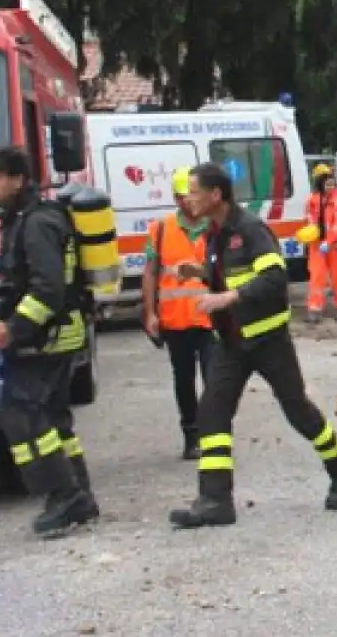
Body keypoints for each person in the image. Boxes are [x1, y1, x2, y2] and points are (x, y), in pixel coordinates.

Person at [169, 161, 337, 529]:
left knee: (298, 412)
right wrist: (200, 273)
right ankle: (215, 501)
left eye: (193, 192)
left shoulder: (250, 229)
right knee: (212, 412)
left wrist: (229, 298)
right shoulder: (214, 234)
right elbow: (227, 273)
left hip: (269, 340)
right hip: (230, 343)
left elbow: (274, 278)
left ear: (215, 195)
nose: (186, 198)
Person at [0, 144, 102, 536]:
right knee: (53, 418)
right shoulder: (22, 219)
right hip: (48, 334)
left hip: (47, 337)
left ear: (19, 179)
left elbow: (48, 288)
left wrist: (11, 328)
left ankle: (64, 495)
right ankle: (79, 494)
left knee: (24, 417)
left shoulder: (36, 223)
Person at [142, 167, 215, 460]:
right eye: (189, 196)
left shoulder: (216, 227)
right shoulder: (160, 230)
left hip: (212, 318)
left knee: (215, 379)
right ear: (177, 199)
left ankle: (214, 435)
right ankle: (191, 434)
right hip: (176, 321)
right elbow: (150, 274)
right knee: (184, 380)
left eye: (198, 194)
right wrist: (149, 313)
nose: (195, 201)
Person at [304, 162, 337, 323]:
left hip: (335, 246)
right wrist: (311, 231)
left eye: (332, 183)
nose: (330, 186)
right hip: (317, 244)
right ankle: (314, 309)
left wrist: (329, 241)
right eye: (326, 183)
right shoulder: (313, 199)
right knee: (316, 277)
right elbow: (309, 217)